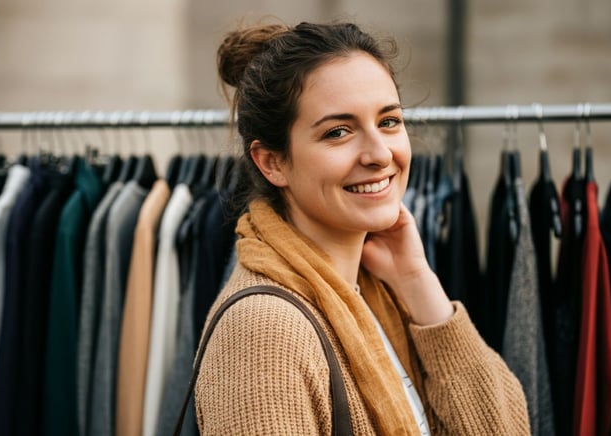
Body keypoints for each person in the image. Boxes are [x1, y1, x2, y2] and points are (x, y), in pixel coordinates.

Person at [192, 20, 531, 435]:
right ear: (272, 162)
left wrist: (416, 280)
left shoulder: (378, 292)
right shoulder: (264, 332)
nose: (378, 153)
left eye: (389, 121)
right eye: (338, 132)